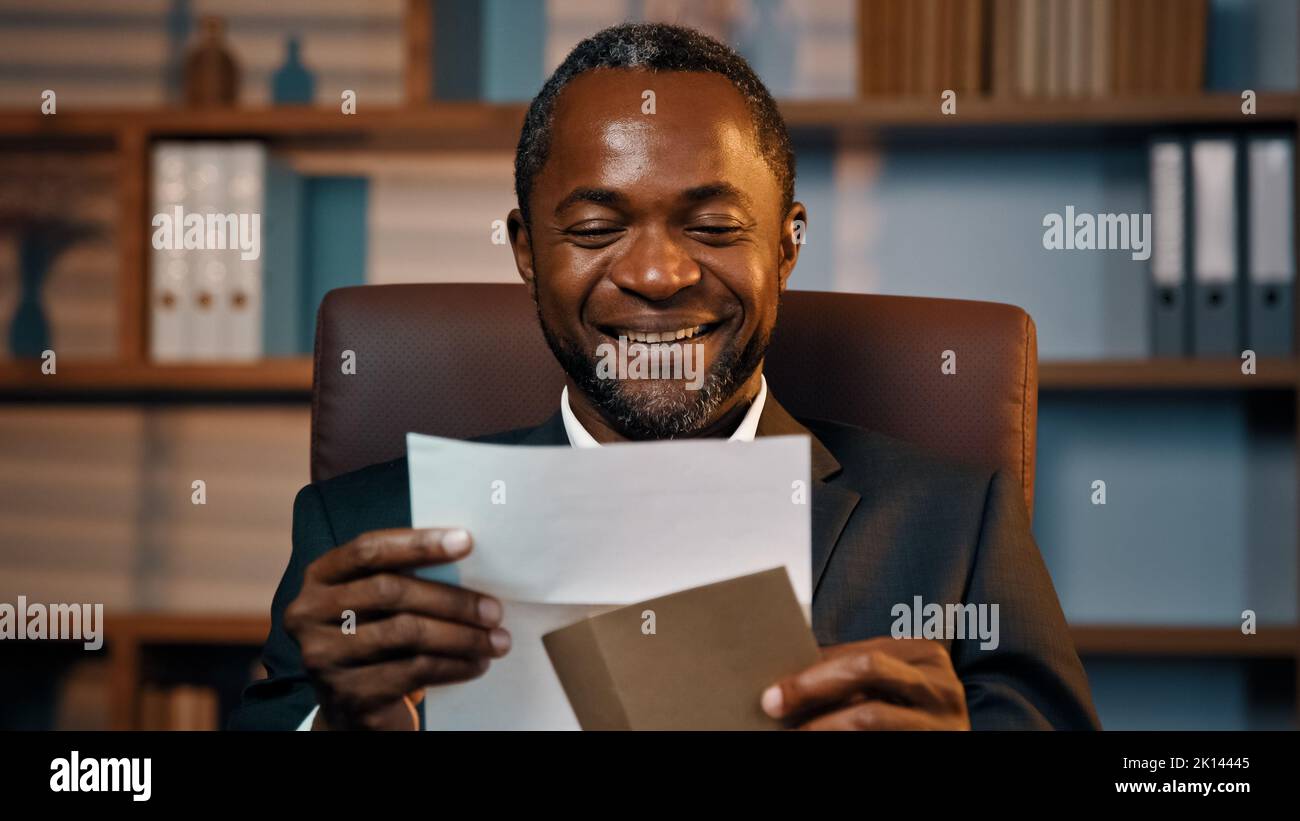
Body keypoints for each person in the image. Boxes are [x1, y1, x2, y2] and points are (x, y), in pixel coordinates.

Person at [231, 22, 1099, 732]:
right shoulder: (361, 532)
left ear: (787, 244)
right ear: (527, 251)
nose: (656, 274)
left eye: (715, 226)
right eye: (598, 227)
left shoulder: (956, 525)